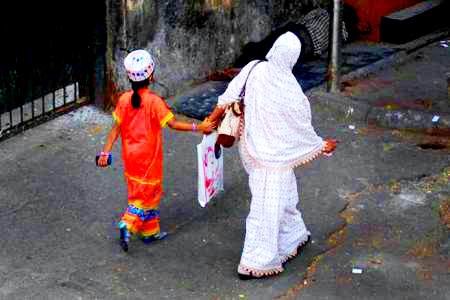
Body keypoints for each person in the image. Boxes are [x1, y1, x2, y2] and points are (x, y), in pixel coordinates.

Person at [206, 32, 336, 279]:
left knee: (285, 194)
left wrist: (209, 121)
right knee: (266, 206)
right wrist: (320, 146)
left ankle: (294, 234)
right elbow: (301, 125)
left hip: (251, 147)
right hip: (276, 156)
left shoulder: (253, 68)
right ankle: (257, 261)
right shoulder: (291, 89)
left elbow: (227, 98)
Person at [98, 49, 215, 252]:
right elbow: (174, 124)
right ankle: (128, 223)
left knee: (141, 191)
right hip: (148, 158)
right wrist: (199, 127)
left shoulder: (124, 100)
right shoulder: (154, 102)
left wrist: (105, 152)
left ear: (129, 77)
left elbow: (115, 129)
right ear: (151, 76)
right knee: (147, 194)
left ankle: (150, 232)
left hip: (130, 157)